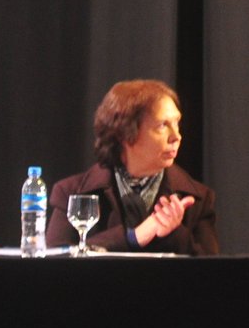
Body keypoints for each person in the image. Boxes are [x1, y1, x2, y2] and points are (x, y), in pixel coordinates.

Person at [47, 79, 218, 255]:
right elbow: (56, 265)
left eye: (176, 123)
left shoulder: (198, 199)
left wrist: (173, 233)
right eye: (162, 126)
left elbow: (213, 276)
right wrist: (132, 238)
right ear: (125, 134)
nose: (176, 136)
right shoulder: (70, 193)